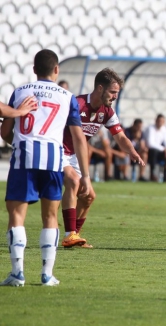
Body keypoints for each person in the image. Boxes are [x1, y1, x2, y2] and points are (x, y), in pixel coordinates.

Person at [0, 49, 93, 286]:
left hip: (24, 160)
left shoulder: (20, 92)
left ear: (34, 70)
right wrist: (87, 177)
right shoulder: (67, 96)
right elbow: (79, 138)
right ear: (56, 70)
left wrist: (20, 141)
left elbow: (4, 132)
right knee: (50, 215)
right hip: (53, 161)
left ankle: (17, 273)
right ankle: (46, 275)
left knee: (17, 216)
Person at [60, 68, 145, 249]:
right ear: (100, 88)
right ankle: (69, 235)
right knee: (74, 183)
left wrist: (132, 151)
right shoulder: (76, 104)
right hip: (58, 151)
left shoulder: (106, 111)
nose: (115, 96)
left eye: (116, 93)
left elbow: (120, 136)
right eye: (113, 92)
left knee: (89, 196)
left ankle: (75, 236)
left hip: (75, 156)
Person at [144, 114, 166, 182]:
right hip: (151, 151)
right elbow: (151, 144)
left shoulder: (164, 129)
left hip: (161, 152)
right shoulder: (150, 128)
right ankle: (152, 174)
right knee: (154, 151)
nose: (160, 122)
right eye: (159, 121)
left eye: (162, 121)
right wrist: (164, 149)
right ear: (156, 120)